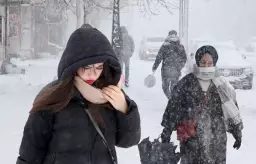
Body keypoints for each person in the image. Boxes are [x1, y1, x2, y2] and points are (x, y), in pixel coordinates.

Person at [16, 26, 141, 164]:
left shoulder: (111, 94)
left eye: (99, 67)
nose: (93, 73)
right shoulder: (52, 96)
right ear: (73, 64)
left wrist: (124, 108)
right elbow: (30, 153)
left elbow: (129, 140)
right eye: (86, 67)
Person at [159, 45, 243, 164]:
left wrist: (237, 132)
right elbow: (174, 108)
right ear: (198, 62)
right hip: (191, 140)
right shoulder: (186, 83)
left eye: (210, 62)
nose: (206, 66)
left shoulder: (222, 85)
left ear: (214, 63)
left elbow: (231, 110)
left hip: (216, 139)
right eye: (203, 62)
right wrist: (166, 132)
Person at [152, 30, 187, 99]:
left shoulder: (165, 46)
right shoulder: (180, 46)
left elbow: (159, 58)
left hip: (166, 71)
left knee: (165, 88)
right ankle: (172, 100)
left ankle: (170, 99)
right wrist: (180, 66)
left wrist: (154, 67)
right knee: (173, 87)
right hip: (175, 71)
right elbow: (184, 58)